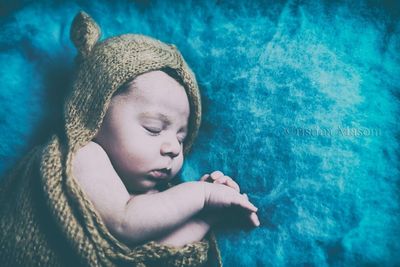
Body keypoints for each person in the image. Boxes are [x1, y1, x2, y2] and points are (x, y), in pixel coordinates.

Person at [0, 11, 259, 267]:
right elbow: (126, 222)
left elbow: (150, 255)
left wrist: (204, 218)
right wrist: (201, 195)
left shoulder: (148, 194)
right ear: (95, 114)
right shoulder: (83, 155)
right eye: (154, 128)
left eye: (181, 138)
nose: (173, 149)